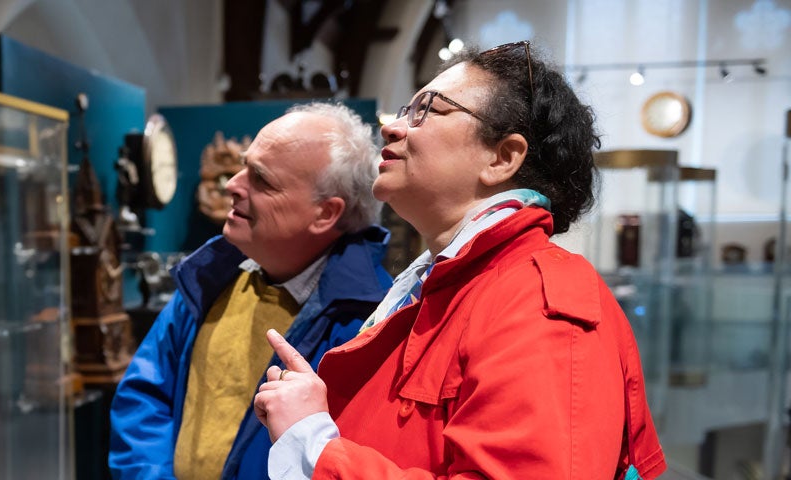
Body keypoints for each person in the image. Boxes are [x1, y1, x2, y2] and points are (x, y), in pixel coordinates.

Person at [254, 42, 667, 479]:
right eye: (403, 109)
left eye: (427, 110)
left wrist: (314, 444)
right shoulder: (450, 285)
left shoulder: (539, 304)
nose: (392, 128)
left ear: (502, 157)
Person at [109, 102, 394, 480]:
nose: (232, 184)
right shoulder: (211, 278)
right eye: (245, 165)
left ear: (325, 213)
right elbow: (145, 396)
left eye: (261, 179)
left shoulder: (372, 322)